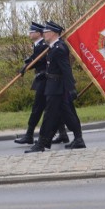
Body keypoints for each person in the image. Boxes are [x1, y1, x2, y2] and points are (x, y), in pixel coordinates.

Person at [25, 21, 85, 152]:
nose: (44, 34)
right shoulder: (53, 47)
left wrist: (71, 88)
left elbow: (66, 70)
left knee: (49, 116)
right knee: (68, 114)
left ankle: (41, 143)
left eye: (46, 32)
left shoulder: (59, 48)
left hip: (57, 88)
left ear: (53, 33)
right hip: (54, 86)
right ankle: (79, 139)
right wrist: (44, 75)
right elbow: (53, 68)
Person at [14, 22, 50, 145]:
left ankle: (29, 135)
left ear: (39, 33)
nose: (29, 33)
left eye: (32, 31)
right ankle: (62, 134)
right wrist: (27, 63)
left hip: (44, 79)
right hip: (41, 79)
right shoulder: (37, 45)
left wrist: (28, 66)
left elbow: (41, 60)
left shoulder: (43, 45)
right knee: (50, 108)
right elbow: (34, 57)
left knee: (38, 108)